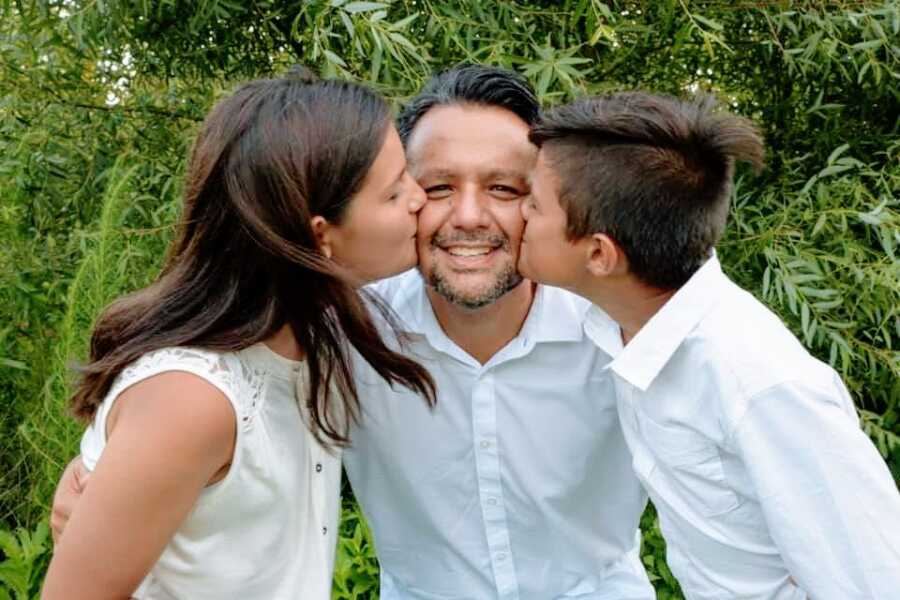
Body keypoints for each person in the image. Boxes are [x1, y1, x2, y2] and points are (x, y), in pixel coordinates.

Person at [51, 65, 655, 599]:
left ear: (544, 202)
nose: (465, 216)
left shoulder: (618, 327)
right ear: (323, 229)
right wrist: (108, 477)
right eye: (429, 187)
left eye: (503, 188)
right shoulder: (342, 329)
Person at [42, 70, 435, 600]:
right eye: (394, 193)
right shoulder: (193, 398)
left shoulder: (315, 335)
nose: (420, 199)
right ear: (319, 236)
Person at [518, 91, 900, 599]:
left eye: (534, 204)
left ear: (599, 254)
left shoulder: (760, 383)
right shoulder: (619, 322)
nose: (515, 212)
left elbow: (876, 579)